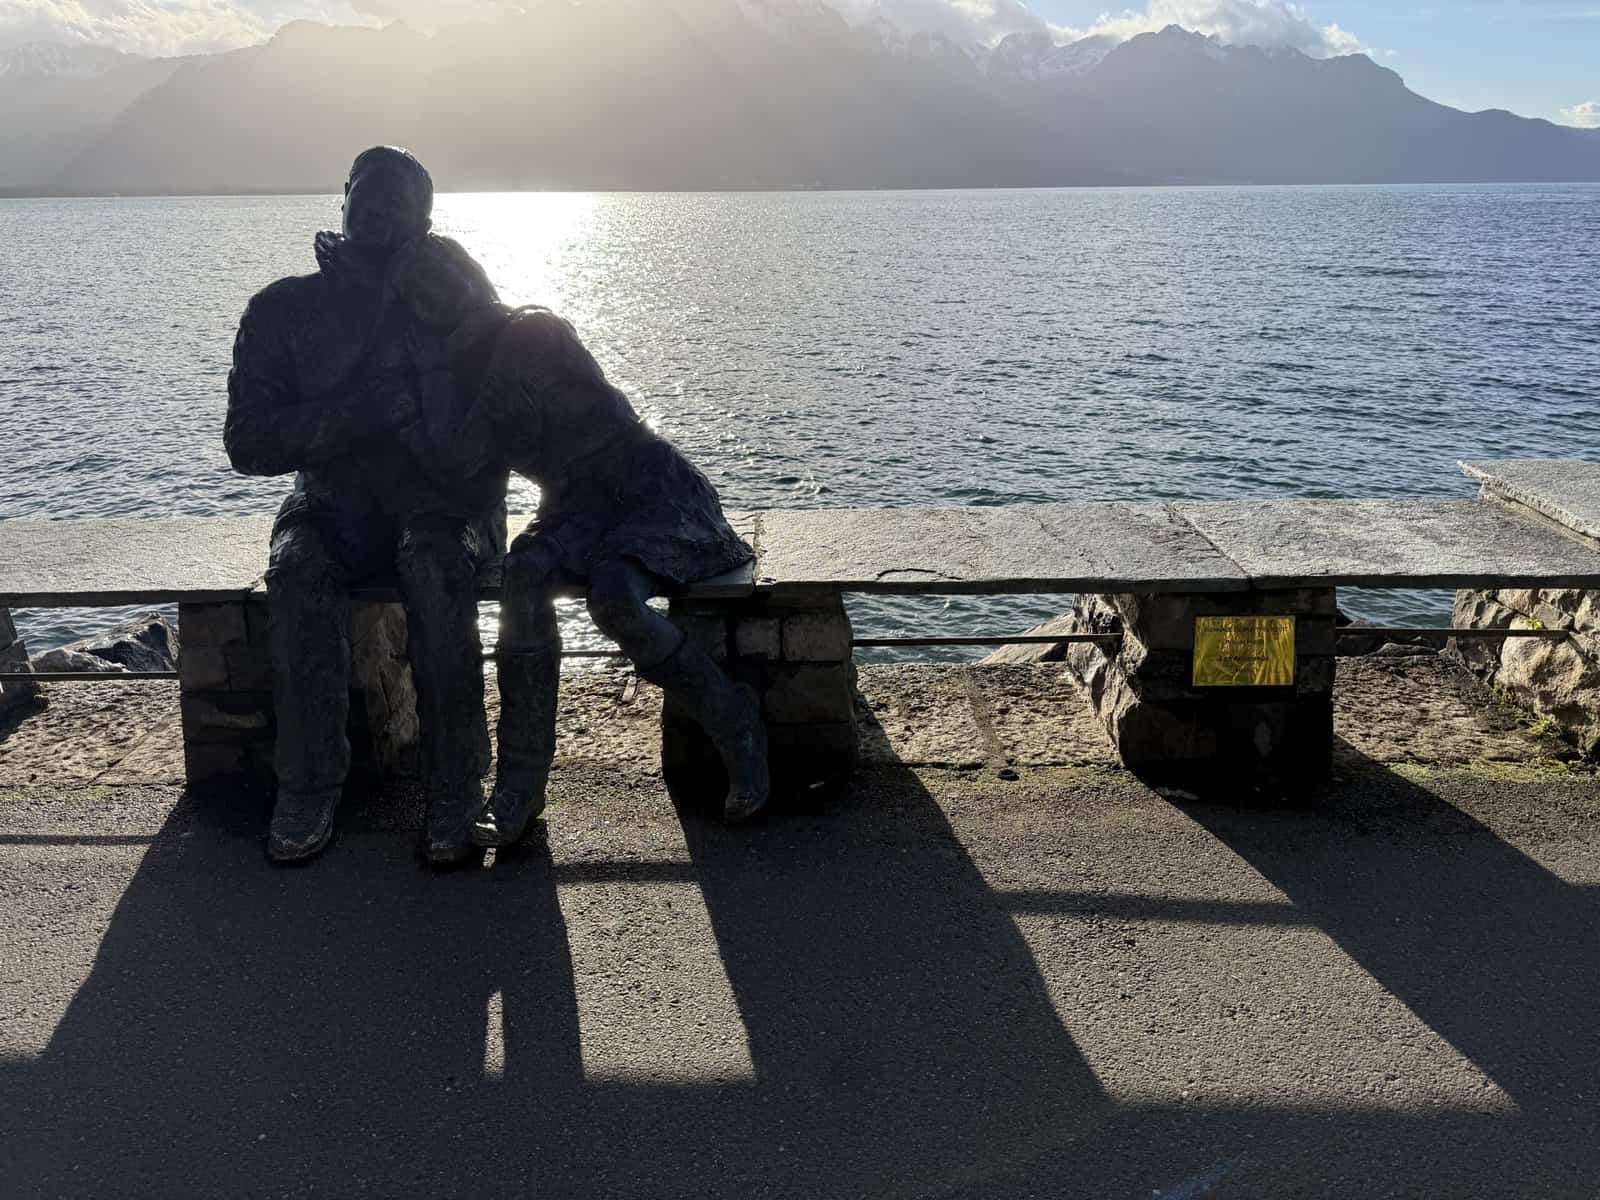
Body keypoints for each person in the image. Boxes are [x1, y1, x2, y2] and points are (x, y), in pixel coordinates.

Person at [388, 237, 769, 845]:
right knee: (522, 577)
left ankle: (734, 722)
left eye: (437, 280)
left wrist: (435, 372)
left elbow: (475, 441)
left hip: (644, 487)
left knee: (615, 598)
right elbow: (460, 465)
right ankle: (519, 788)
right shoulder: (459, 379)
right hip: (573, 506)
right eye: (414, 297)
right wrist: (429, 384)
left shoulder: (531, 333)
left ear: (468, 276)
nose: (430, 301)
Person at [224, 147, 509, 867]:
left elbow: (507, 401)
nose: (377, 214)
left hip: (441, 504)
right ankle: (310, 782)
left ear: (425, 220)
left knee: (434, 560)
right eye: (366, 197)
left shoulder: (452, 296)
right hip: (333, 506)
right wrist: (354, 414)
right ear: (342, 199)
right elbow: (248, 442)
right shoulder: (285, 311)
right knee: (298, 570)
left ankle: (455, 783)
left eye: (397, 204)